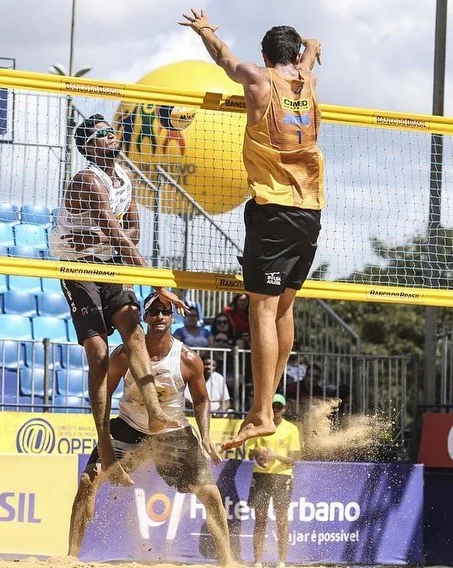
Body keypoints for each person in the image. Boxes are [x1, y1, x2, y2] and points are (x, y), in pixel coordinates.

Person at [180, 10, 325, 449]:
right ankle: (264, 405)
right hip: (311, 211)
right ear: (295, 56)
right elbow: (308, 62)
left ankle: (262, 411)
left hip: (275, 210)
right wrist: (312, 50)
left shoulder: (258, 79)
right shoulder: (307, 80)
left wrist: (205, 30)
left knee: (262, 311)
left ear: (265, 56)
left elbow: (224, 59)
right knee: (284, 310)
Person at [49, 114, 189, 482]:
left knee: (134, 332)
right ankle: (106, 448)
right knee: (98, 356)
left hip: (108, 263)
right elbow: (117, 232)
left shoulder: (124, 177)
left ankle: (156, 412)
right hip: (78, 267)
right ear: (89, 148)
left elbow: (133, 232)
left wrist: (108, 242)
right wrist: (157, 284)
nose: (110, 136)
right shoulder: (87, 180)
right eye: (100, 135)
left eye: (110, 132)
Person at [68, 293, 234, 566]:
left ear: (172, 317)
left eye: (165, 312)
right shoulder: (124, 355)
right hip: (129, 424)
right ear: (143, 318)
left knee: (211, 495)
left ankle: (228, 561)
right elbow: (104, 393)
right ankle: (71, 556)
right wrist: (104, 435)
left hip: (173, 430)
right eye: (154, 312)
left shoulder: (187, 358)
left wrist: (205, 435)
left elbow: (202, 400)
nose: (159, 316)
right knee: (88, 482)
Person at [246, 394, 301, 568]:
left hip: (282, 476)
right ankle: (257, 561)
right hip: (261, 475)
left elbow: (294, 458)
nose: (275, 409)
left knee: (282, 520)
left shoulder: (291, 428)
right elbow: (249, 454)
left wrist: (274, 456)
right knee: (260, 519)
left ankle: (282, 561)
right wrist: (258, 453)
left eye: (279, 405)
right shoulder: (259, 427)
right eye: (273, 405)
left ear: (285, 409)